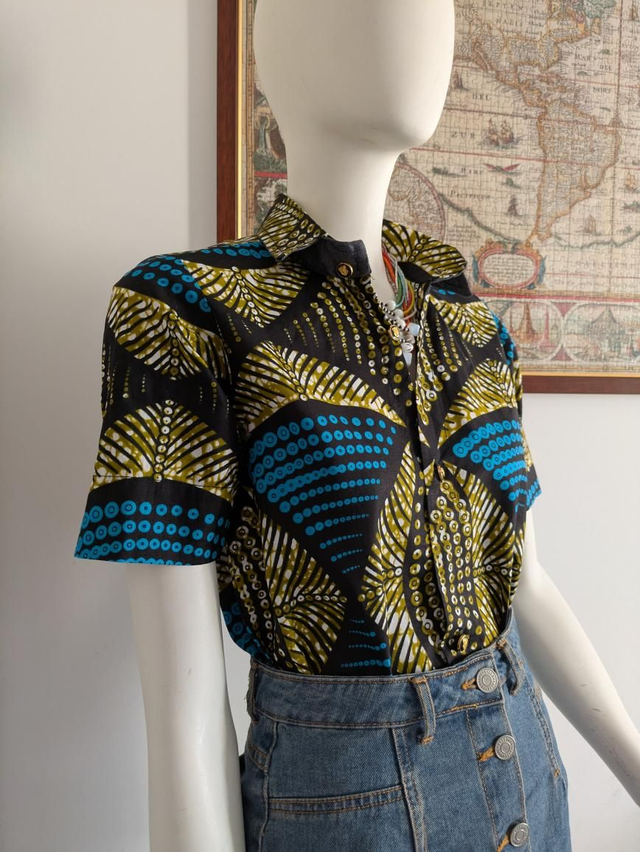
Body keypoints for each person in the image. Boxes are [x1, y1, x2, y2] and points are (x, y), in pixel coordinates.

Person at [73, 1, 640, 850]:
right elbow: (183, 700)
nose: (425, 23)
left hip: (527, 768)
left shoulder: (468, 322)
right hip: (346, 802)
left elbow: (527, 582)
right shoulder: (184, 309)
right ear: (280, 43)